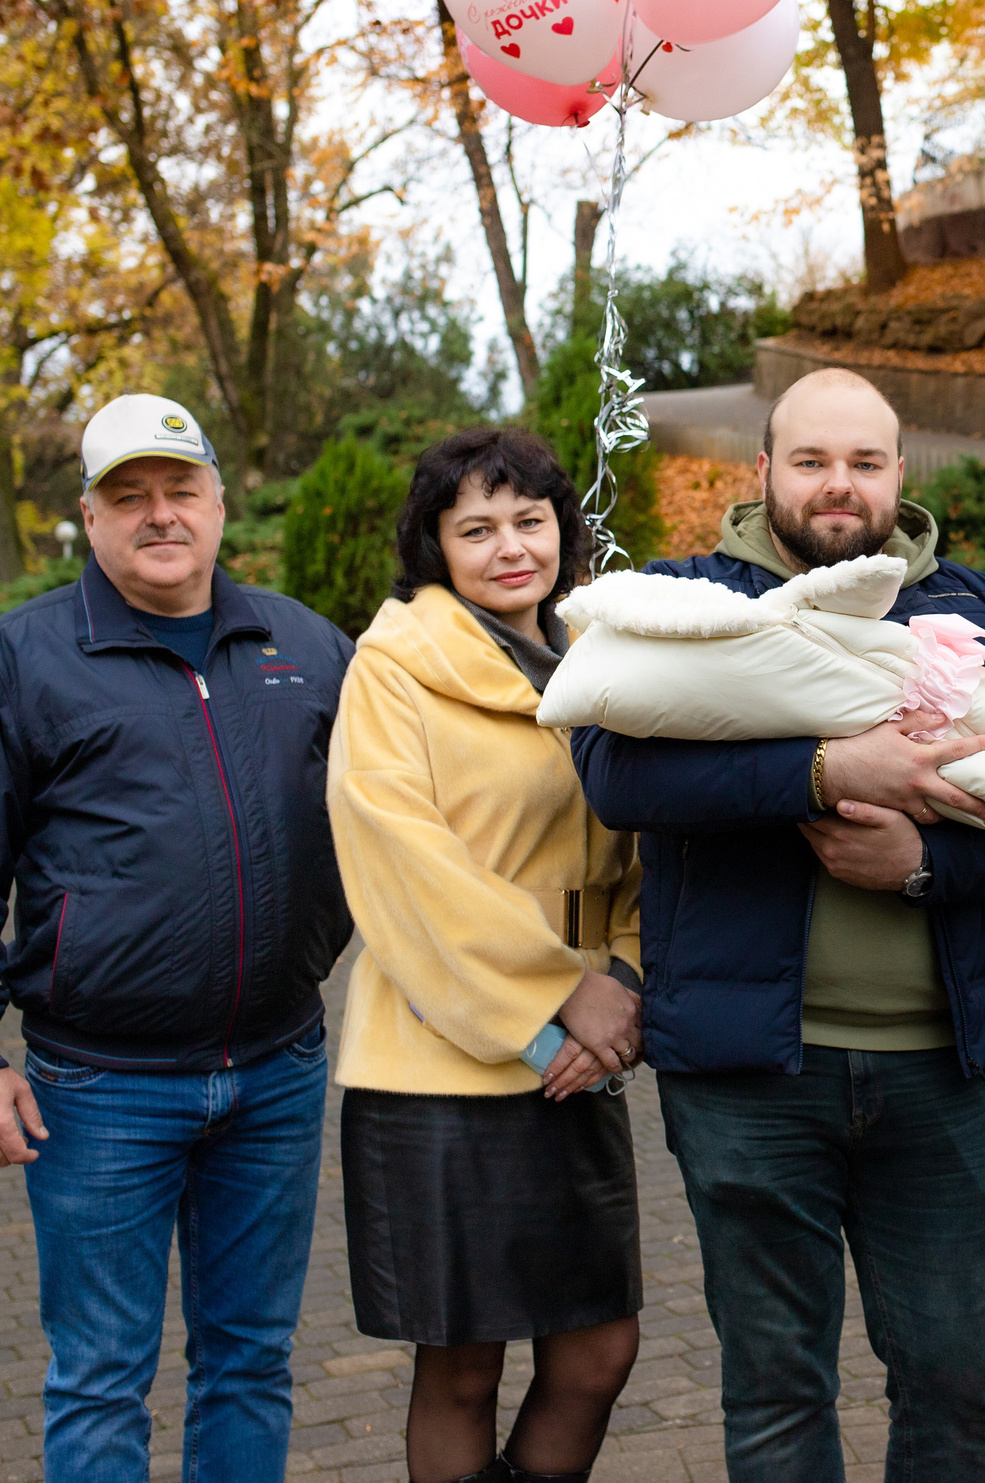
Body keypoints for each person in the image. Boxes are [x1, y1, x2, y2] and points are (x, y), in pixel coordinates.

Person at [571, 368, 985, 1483]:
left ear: (900, 474)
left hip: (940, 1077)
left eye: (864, 462)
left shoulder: (974, 609)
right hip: (746, 1075)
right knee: (773, 1392)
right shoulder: (685, 598)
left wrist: (924, 867)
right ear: (762, 471)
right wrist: (819, 771)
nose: (839, 487)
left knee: (954, 1386)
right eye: (811, 461)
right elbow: (615, 772)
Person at [0, 393, 354, 1483]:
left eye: (179, 490)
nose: (160, 516)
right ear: (90, 520)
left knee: (250, 1361)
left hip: (279, 1071)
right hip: (99, 1088)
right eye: (129, 497)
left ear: (219, 504)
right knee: (100, 1378)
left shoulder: (307, 644)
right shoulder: (20, 661)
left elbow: (404, 812)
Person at [326, 429, 648, 1483]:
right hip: (437, 1068)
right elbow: (404, 867)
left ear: (563, 528)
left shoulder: (608, 662)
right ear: (434, 546)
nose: (509, 546)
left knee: (599, 1349)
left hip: (581, 1055)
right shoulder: (392, 669)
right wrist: (560, 994)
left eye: (529, 520)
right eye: (476, 528)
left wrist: (628, 984)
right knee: (461, 1368)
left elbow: (648, 848)